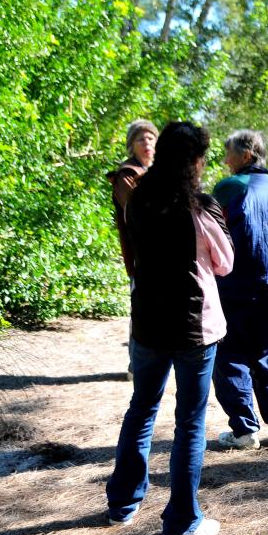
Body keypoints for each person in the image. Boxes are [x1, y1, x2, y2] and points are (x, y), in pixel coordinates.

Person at [106, 122, 234, 535]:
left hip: (147, 323)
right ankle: (181, 521)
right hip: (194, 328)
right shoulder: (199, 206)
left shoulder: (137, 198)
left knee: (141, 408)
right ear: (196, 160)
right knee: (190, 423)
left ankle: (122, 504)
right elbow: (225, 263)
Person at [211, 130, 268, 450]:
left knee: (230, 355)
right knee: (266, 351)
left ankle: (244, 430)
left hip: (233, 285)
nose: (225, 161)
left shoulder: (229, 187)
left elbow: (210, 231)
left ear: (247, 154)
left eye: (229, 153)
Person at [106, 120, 158, 380]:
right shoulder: (126, 175)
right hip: (141, 255)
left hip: (167, 256)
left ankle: (154, 363)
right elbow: (141, 213)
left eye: (151, 138)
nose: (147, 143)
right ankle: (136, 365)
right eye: (141, 139)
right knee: (142, 310)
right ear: (131, 145)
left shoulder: (162, 172)